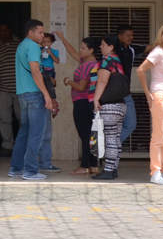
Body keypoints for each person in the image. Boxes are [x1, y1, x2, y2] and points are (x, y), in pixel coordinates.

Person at [8, 20, 56, 181]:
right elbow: (36, 72)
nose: (43, 35)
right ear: (31, 33)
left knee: (25, 131)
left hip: (22, 93)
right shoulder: (34, 47)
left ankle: (15, 168)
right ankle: (30, 170)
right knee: (37, 132)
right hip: (35, 94)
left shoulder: (21, 46)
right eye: (40, 32)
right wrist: (47, 95)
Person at [137, 24, 163, 185]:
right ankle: (155, 172)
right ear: (159, 37)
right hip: (159, 95)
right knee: (158, 137)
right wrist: (147, 93)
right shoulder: (158, 52)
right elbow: (141, 70)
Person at [60, 35, 100, 176]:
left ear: (91, 50)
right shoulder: (93, 62)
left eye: (83, 48)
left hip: (82, 103)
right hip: (89, 103)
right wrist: (62, 38)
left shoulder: (86, 66)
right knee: (92, 135)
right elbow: (73, 53)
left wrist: (68, 81)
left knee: (85, 136)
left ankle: (84, 166)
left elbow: (81, 87)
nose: (80, 50)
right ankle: (93, 166)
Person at [91, 34, 128, 180]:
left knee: (110, 138)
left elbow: (102, 81)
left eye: (103, 44)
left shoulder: (106, 60)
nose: (100, 47)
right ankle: (113, 168)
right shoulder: (118, 61)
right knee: (116, 138)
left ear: (111, 47)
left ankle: (108, 170)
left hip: (109, 106)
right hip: (120, 105)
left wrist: (95, 99)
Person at [0, 24, 21, 154]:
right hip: (2, 89)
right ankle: (7, 146)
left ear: (10, 30)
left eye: (6, 30)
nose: (4, 32)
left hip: (20, 89)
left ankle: (21, 146)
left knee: (23, 119)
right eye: (1, 30)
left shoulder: (20, 45)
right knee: (4, 119)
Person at [37, 33, 61, 173]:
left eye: (48, 42)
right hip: (42, 76)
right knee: (42, 133)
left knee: (50, 86)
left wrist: (50, 53)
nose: (46, 44)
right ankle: (42, 162)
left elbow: (56, 61)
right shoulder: (38, 52)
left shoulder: (53, 51)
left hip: (50, 73)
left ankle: (53, 102)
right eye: (43, 41)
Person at [115, 25, 139, 144]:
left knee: (131, 124)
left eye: (132, 35)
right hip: (112, 96)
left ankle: (110, 147)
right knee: (110, 127)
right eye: (128, 35)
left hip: (126, 95)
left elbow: (150, 47)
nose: (131, 38)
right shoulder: (113, 51)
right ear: (120, 36)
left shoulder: (132, 49)